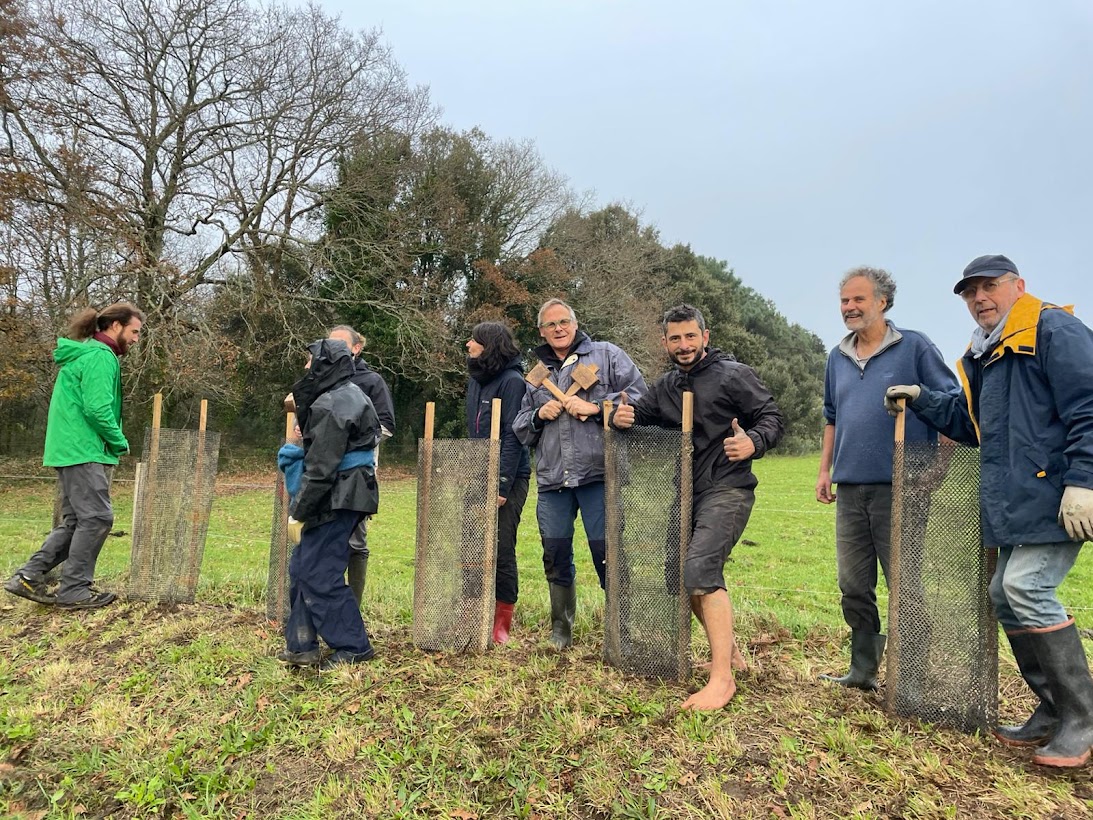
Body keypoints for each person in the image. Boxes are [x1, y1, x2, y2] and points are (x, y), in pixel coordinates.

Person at [886, 254, 1093, 768]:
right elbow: (970, 423)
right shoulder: (986, 353)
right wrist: (923, 398)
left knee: (1026, 587)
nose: (979, 298)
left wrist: (1084, 482)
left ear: (1018, 286)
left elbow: (1089, 406)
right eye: (970, 292)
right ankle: (1053, 709)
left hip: (1058, 495)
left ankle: (1084, 718)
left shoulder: (1051, 330)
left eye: (990, 286)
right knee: (1004, 591)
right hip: (1018, 499)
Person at [612, 304, 784, 709]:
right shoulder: (667, 386)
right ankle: (732, 656)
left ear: (705, 337)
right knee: (681, 575)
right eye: (675, 338)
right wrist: (623, 417)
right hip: (685, 491)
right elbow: (642, 415)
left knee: (701, 570)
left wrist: (753, 441)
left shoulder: (733, 375)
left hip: (727, 488)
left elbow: (772, 417)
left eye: (691, 336)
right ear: (665, 342)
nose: (684, 344)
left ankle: (722, 681)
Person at [815, 267, 960, 691]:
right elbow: (831, 417)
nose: (849, 307)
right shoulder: (837, 356)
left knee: (904, 584)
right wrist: (825, 470)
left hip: (902, 486)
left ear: (882, 301)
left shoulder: (914, 347)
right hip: (850, 487)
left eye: (858, 299)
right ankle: (863, 670)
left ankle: (910, 678)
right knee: (853, 584)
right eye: (844, 300)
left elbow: (951, 406)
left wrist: (939, 468)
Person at [513, 298, 647, 649]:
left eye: (564, 322)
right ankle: (561, 631)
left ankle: (620, 634)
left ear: (575, 324)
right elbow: (520, 426)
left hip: (598, 474)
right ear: (541, 332)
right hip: (552, 479)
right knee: (555, 554)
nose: (558, 329)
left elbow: (640, 399)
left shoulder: (607, 355)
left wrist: (596, 407)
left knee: (608, 554)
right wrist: (538, 416)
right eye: (550, 324)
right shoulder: (537, 375)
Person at [5, 303, 144, 610]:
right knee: (97, 518)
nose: (136, 339)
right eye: (134, 332)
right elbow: (97, 409)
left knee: (77, 521)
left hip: (69, 448)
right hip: (83, 449)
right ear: (116, 326)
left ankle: (28, 577)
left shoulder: (87, 353)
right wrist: (119, 441)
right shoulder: (100, 357)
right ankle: (75, 590)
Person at [279, 338, 380, 671]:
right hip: (348, 492)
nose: (306, 366)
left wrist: (299, 511)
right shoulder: (347, 394)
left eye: (311, 361)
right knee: (303, 567)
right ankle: (301, 645)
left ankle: (353, 646)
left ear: (326, 364)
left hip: (339, 495)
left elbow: (321, 469)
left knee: (319, 573)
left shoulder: (332, 403)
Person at [465, 322, 532, 644]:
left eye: (474, 340)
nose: (468, 344)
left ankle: (501, 622)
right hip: (476, 474)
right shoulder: (475, 380)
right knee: (471, 543)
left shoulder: (513, 382)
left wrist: (501, 485)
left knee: (501, 546)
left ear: (489, 345)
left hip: (510, 476)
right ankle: (472, 612)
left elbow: (513, 436)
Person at [326, 325, 395, 607]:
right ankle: (322, 606)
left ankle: (351, 609)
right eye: (329, 344)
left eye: (341, 344)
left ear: (357, 348)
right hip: (320, 471)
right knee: (319, 540)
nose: (333, 349)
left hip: (356, 473)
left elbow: (385, 425)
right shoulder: (319, 379)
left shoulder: (371, 382)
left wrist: (346, 440)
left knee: (354, 540)